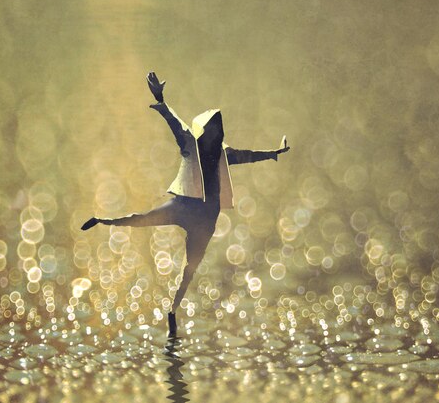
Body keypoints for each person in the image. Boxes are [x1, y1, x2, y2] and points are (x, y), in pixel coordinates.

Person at [81, 72, 290, 337]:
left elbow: (247, 155)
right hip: (184, 206)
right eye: (212, 129)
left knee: (190, 268)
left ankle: (172, 310)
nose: (215, 133)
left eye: (218, 129)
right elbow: (177, 125)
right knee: (143, 218)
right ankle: (104, 220)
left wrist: (273, 153)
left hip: (206, 216)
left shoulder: (223, 154)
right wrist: (161, 101)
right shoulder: (190, 144)